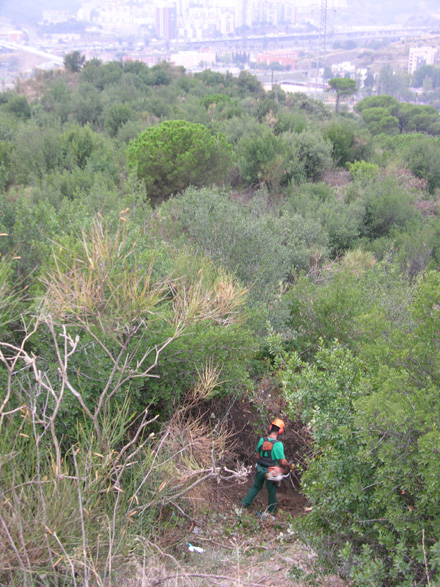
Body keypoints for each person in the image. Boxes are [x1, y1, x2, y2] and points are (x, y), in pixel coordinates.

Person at [242, 418, 293, 514]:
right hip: (271, 471)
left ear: (271, 427)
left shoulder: (262, 440)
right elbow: (283, 462)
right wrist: (290, 466)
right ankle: (272, 512)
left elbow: (257, 455)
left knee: (256, 487)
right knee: (272, 491)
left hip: (260, 468)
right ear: (281, 431)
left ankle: (244, 504)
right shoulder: (278, 444)